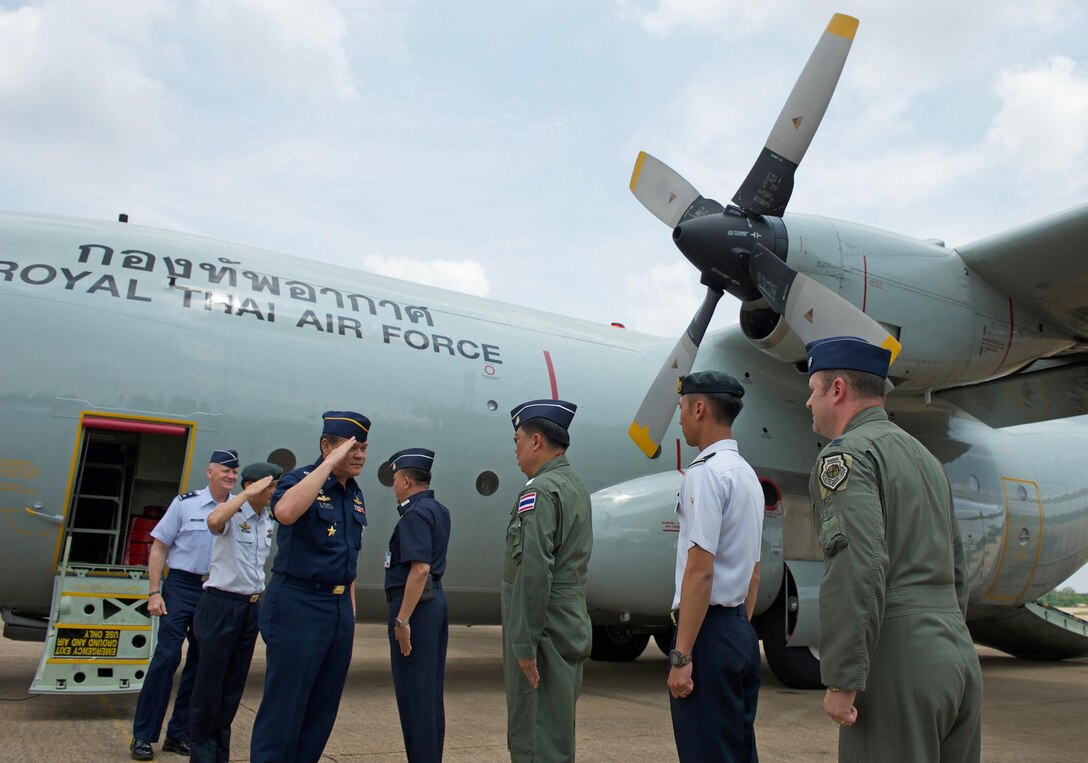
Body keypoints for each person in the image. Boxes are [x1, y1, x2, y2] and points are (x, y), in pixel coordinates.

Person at [804, 336, 982, 762]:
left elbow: (857, 565)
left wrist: (842, 678)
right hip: (955, 656)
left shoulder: (846, 458)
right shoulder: (926, 459)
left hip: (898, 665)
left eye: (813, 390)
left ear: (838, 390)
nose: (809, 403)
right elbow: (957, 567)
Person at [249, 411, 370, 763]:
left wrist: (349, 611)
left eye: (363, 448)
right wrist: (327, 465)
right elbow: (285, 512)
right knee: (284, 708)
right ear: (326, 446)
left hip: (337, 611)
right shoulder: (300, 480)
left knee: (321, 710)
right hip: (298, 605)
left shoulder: (354, 493)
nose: (360, 455)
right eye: (352, 448)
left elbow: (349, 558)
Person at [667, 372, 763, 763]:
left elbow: (700, 571)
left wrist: (682, 656)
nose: (680, 419)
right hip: (739, 630)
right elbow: (754, 572)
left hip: (708, 633)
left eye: (682, 409)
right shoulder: (747, 475)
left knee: (706, 752)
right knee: (737, 752)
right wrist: (739, 627)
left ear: (700, 408)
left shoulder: (705, 474)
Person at [130, 448, 239, 761]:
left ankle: (179, 734)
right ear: (210, 472)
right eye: (225, 471)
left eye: (234, 472)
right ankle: (143, 735)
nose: (230, 477)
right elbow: (160, 547)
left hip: (215, 590)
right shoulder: (185, 504)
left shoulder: (238, 509)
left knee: (200, 665)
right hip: (181, 586)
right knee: (166, 658)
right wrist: (154, 592)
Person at [502, 399, 593, 762]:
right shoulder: (574, 486)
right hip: (565, 627)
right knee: (555, 734)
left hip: (543, 634)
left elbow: (534, 571)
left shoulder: (540, 491)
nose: (516, 449)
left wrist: (524, 644)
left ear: (536, 441)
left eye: (518, 440)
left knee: (535, 741)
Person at [188, 461, 281, 763]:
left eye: (275, 485)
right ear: (250, 486)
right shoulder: (232, 512)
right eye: (268, 486)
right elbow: (214, 522)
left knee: (232, 688)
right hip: (220, 605)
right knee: (209, 687)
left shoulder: (268, 520)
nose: (273, 491)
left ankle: (220, 755)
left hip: (249, 607)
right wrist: (242, 497)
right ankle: (202, 755)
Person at [385, 448, 452, 762]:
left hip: (416, 607)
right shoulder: (439, 509)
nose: (394, 485)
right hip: (433, 602)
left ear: (407, 481)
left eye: (395, 479)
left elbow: (420, 568)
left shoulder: (414, 514)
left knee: (415, 696)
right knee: (429, 693)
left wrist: (402, 621)